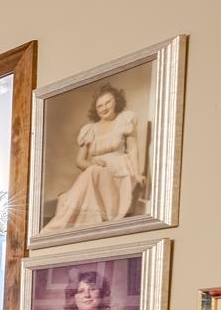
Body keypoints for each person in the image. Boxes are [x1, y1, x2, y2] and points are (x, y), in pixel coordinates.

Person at [41, 84, 144, 234]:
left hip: (118, 171)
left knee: (91, 174)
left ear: (116, 101)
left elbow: (133, 150)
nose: (104, 108)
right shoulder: (90, 129)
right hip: (95, 171)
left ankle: (69, 223)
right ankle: (66, 224)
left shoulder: (124, 120)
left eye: (108, 102)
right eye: (99, 106)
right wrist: (92, 163)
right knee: (91, 173)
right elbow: (79, 161)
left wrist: (137, 173)